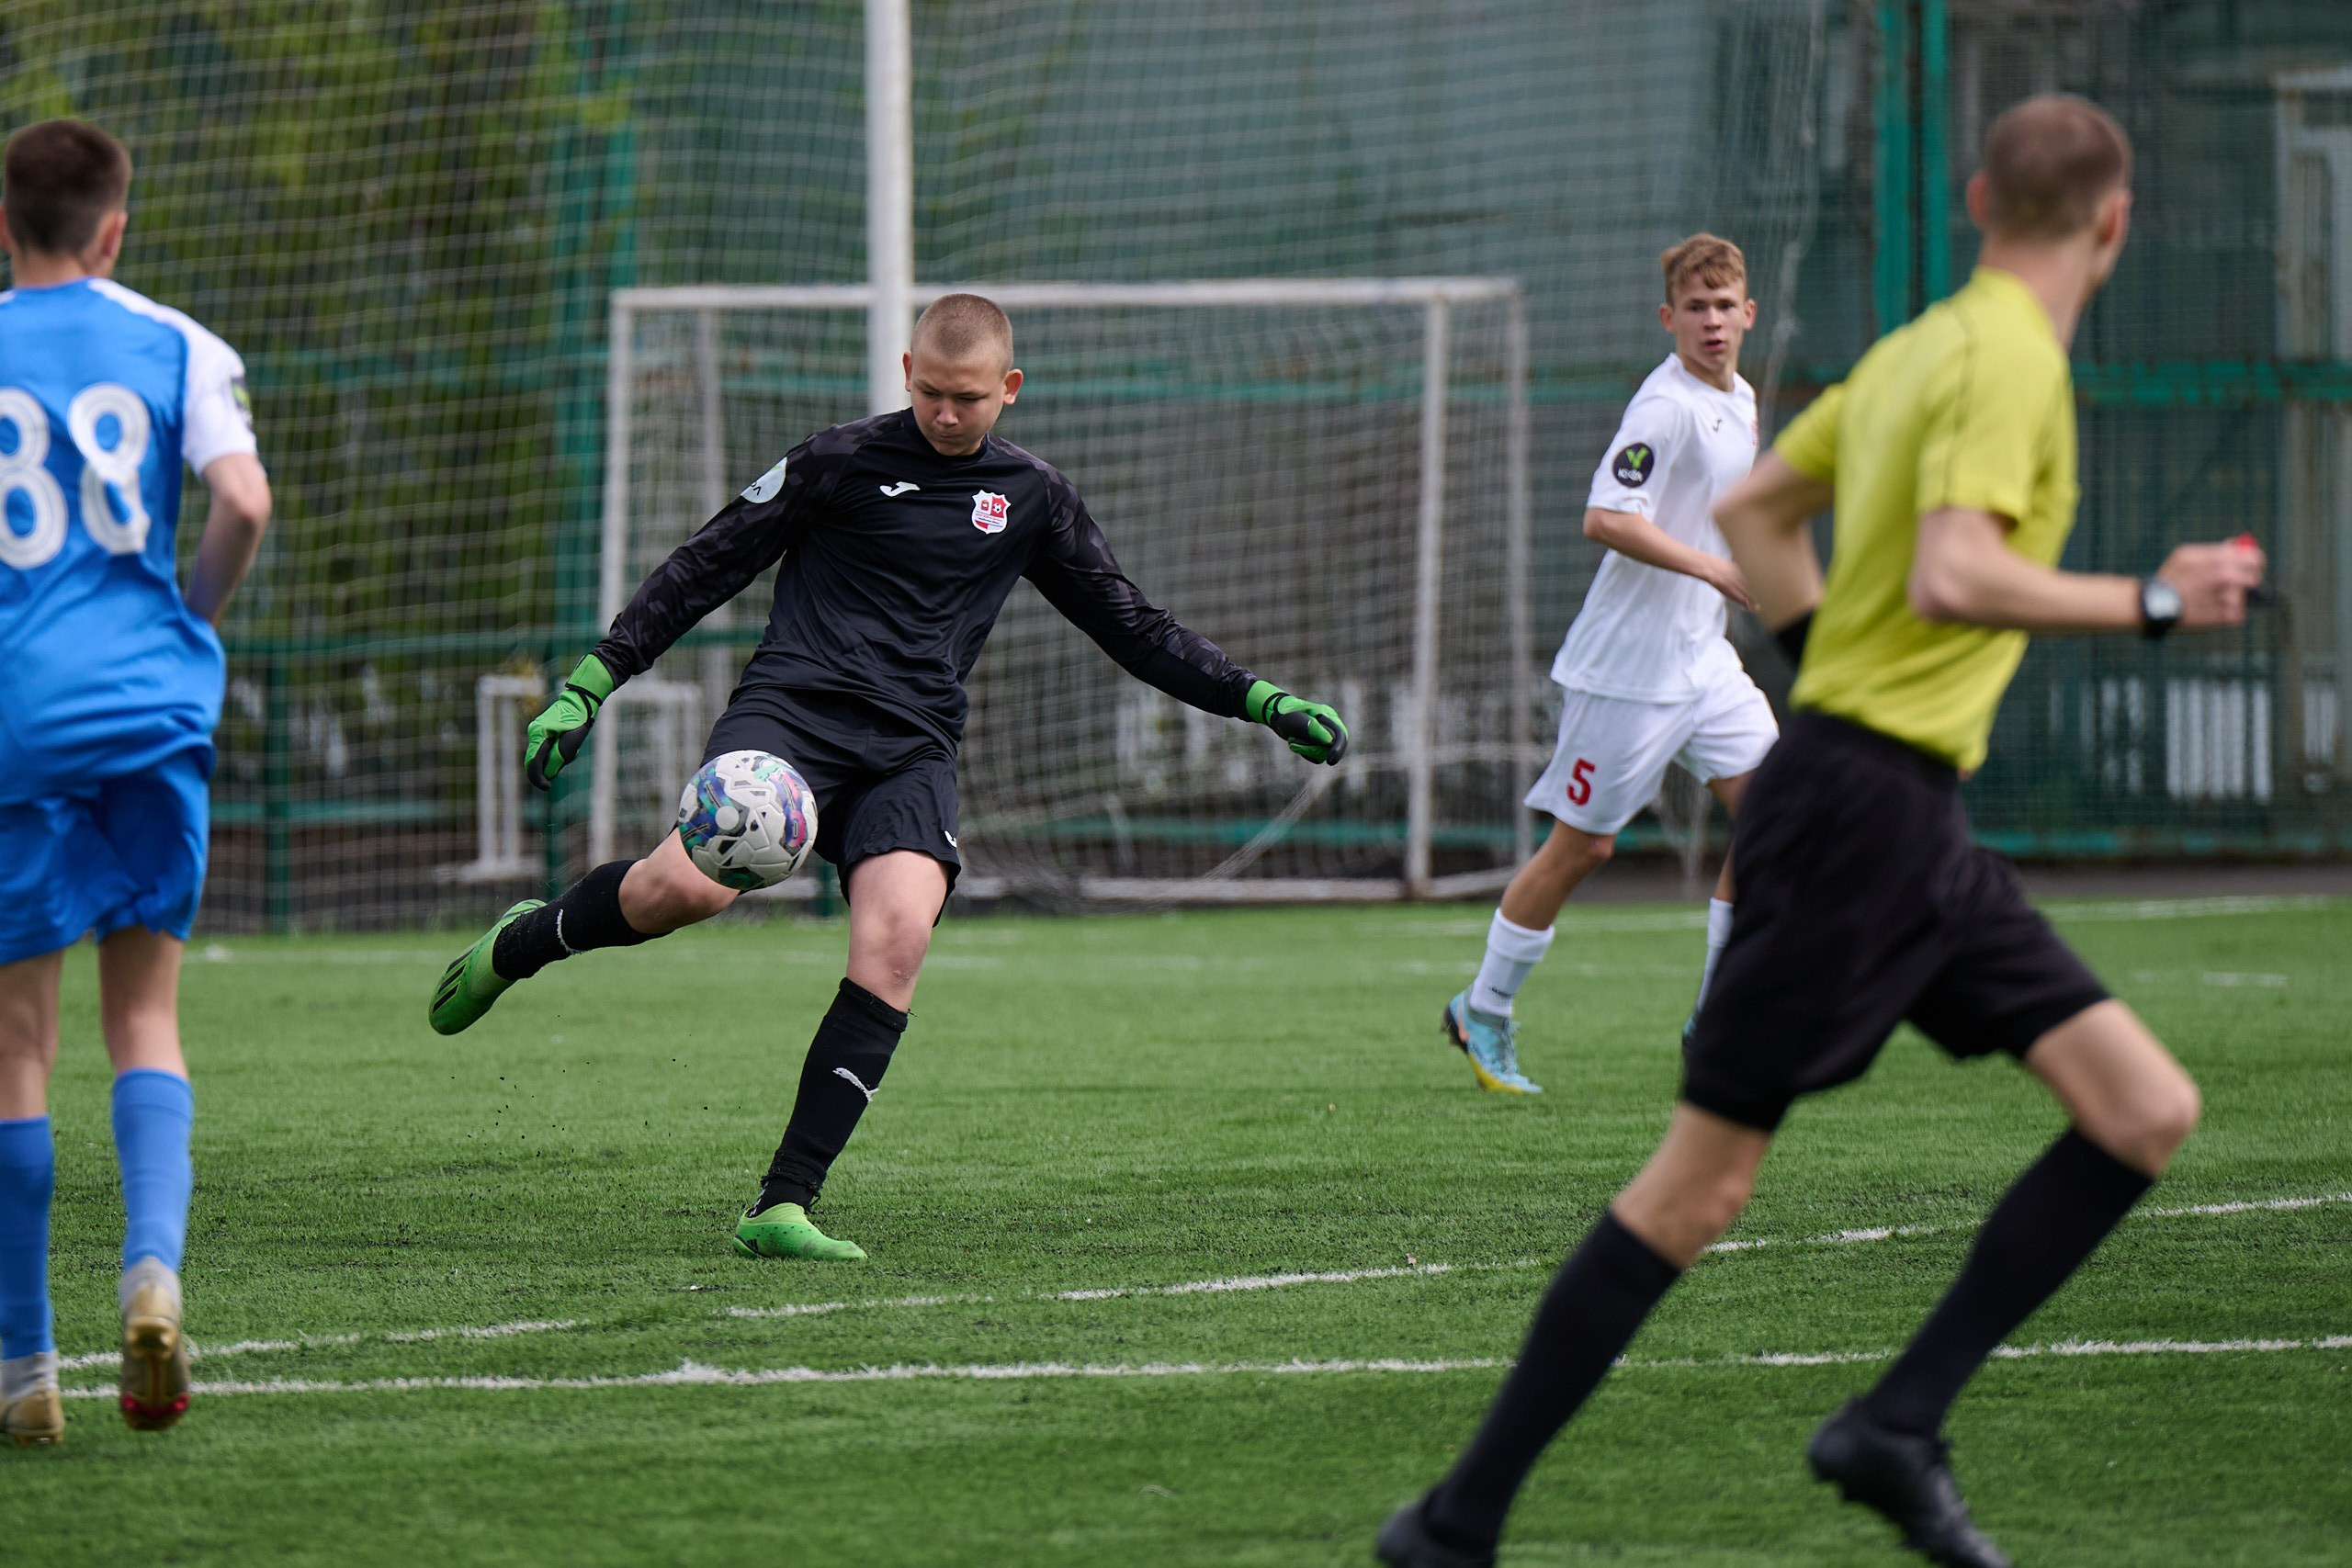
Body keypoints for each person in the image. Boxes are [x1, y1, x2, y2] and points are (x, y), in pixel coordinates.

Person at [1379, 95, 2264, 1568]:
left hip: (1890, 802)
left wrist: (1821, 652)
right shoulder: (2014, 368)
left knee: (2142, 1108)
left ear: (1979, 200)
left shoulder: (1918, 347)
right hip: (1864, 808)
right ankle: (1455, 1522)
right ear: (2115, 222)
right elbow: (1957, 562)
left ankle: (1895, 1425)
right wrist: (2154, 602)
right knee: (1697, 1187)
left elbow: (1777, 513)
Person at [430, 293, 1349, 1263]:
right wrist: (590, 684)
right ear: (906, 369)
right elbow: (707, 564)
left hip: (909, 749)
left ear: (1009, 390)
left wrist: (1258, 701)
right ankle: (524, 942)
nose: (946, 415)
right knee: (680, 892)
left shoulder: (1032, 497)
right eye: (930, 393)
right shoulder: (838, 460)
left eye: (967, 399)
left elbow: (1135, 628)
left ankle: (780, 1204)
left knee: (897, 939)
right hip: (790, 721)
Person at [0, 120, 272, 1445]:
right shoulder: (177, 341)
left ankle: (24, 1368)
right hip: (153, 706)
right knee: (146, 1016)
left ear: (7, 224)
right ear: (113, 227)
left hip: (15, 720)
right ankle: (152, 1271)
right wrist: (191, 619)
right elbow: (243, 500)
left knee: (17, 1046)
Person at [1444, 234, 1774, 1095]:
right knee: (1584, 850)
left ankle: (1722, 1021)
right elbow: (1605, 516)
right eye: (1694, 308)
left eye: (1723, 305)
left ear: (1748, 312)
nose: (1711, 322)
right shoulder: (1662, 408)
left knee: (1782, 816)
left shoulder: (1739, 399)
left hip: (1704, 662)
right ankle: (1483, 1007)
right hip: (1627, 672)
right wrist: (1716, 567)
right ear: (1669, 318)